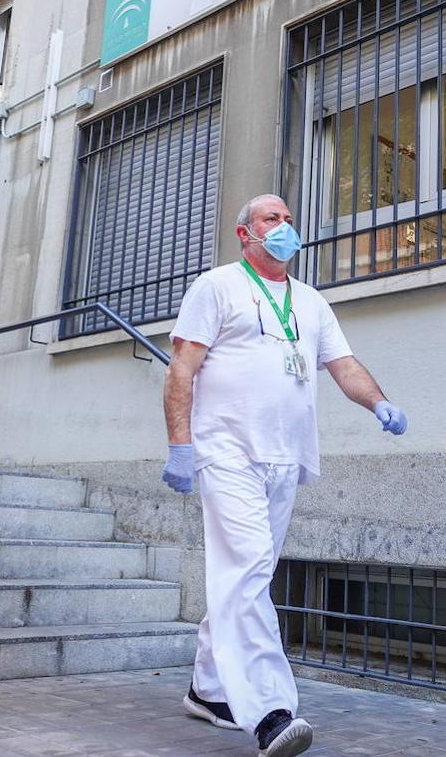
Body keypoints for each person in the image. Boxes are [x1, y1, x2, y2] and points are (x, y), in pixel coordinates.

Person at [161, 194, 407, 757]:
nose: (285, 227)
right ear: (244, 233)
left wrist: (380, 403)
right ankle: (270, 709)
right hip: (227, 452)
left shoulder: (311, 301)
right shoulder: (217, 286)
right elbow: (182, 369)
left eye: (289, 219)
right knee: (247, 569)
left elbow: (342, 365)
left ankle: (207, 688)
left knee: (247, 574)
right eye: (272, 219)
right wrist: (181, 446)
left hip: (284, 458)